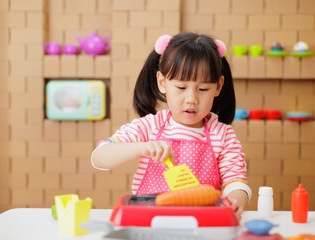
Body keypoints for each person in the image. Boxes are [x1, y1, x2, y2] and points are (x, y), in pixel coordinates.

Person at [91, 32, 252, 219]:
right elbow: (100, 157)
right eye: (181, 88)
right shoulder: (149, 126)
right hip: (149, 221)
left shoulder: (223, 135)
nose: (192, 99)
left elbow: (237, 183)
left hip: (202, 222)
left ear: (218, 86)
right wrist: (142, 147)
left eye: (203, 89)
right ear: (162, 82)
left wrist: (234, 202)